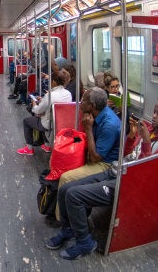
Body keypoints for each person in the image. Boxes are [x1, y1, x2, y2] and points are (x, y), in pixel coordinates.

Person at [55, 87, 121, 218]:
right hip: (93, 154)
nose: (80, 102)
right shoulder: (92, 115)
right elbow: (82, 138)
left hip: (105, 164)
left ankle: (62, 219)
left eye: (83, 101)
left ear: (92, 106)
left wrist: (88, 128)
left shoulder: (109, 125)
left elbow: (96, 158)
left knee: (65, 178)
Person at [45, 168, 117, 260]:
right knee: (64, 189)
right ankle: (68, 230)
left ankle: (85, 242)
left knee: (74, 195)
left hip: (126, 179)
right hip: (115, 171)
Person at [16, 70, 72, 155]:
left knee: (27, 121)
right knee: (44, 116)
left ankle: (29, 148)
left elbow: (38, 110)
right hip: (60, 123)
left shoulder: (50, 95)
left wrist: (34, 104)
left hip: (48, 124)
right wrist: (43, 100)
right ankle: (46, 145)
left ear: (54, 82)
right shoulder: (68, 94)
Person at [124, 94, 158, 160]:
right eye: (154, 112)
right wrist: (132, 135)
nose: (154, 116)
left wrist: (146, 140)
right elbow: (127, 156)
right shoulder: (149, 129)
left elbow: (146, 167)